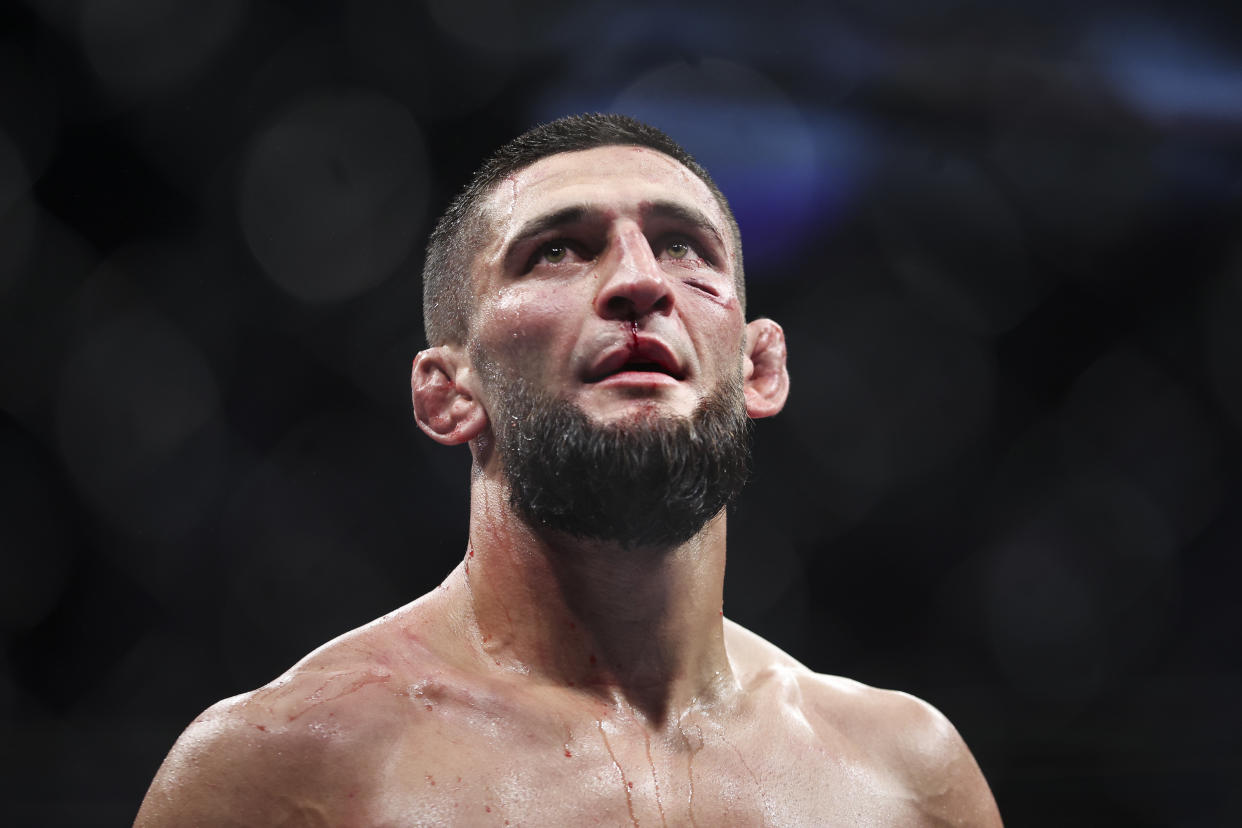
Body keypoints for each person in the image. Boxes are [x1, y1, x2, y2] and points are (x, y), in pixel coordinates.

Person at [136, 113, 1003, 826]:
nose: (638, 281)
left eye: (683, 246)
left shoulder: (903, 776)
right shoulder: (284, 768)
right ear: (448, 393)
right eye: (557, 249)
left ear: (758, 368)